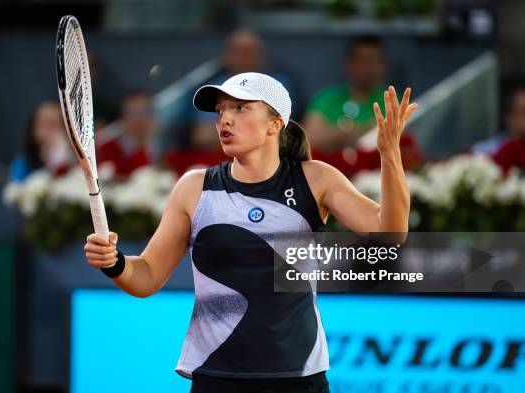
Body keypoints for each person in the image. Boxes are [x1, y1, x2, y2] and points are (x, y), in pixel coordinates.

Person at [84, 73, 416, 392]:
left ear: (275, 124)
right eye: (220, 111)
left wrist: (390, 155)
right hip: (217, 376)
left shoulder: (315, 179)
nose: (224, 119)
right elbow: (147, 276)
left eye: (240, 108)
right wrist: (114, 263)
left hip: (298, 377)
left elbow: (390, 232)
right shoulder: (193, 187)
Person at [303, 35, 387, 153]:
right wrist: (359, 131)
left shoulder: (392, 100)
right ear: (348, 64)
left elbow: (395, 141)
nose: (370, 68)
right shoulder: (326, 98)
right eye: (363, 61)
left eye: (374, 61)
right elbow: (308, 139)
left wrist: (335, 133)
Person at [96, 89, 155, 178]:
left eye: (146, 111)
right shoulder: (107, 150)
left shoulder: (167, 147)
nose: (141, 119)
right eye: (134, 113)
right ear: (122, 119)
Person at [9, 101, 72, 181]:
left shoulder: (77, 164)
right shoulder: (22, 164)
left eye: (52, 124)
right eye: (42, 124)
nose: (46, 131)